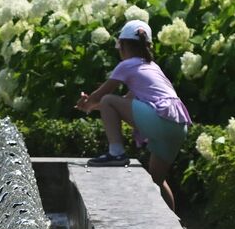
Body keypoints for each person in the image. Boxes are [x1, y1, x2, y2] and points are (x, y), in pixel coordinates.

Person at [75, 18, 192, 211]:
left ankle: (116, 153)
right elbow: (125, 104)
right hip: (178, 125)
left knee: (107, 100)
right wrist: (94, 107)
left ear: (122, 46)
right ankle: (175, 224)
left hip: (160, 119)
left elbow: (103, 95)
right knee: (157, 180)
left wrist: (88, 102)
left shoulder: (127, 65)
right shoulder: (153, 67)